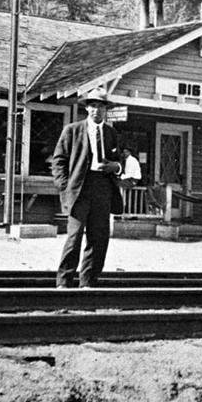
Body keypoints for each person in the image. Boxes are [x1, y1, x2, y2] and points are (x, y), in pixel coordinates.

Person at [50, 88, 123, 288]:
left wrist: (115, 167)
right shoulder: (72, 130)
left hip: (103, 188)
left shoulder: (111, 133)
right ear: (86, 108)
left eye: (100, 106)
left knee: (99, 238)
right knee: (74, 237)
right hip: (79, 188)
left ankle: (88, 282)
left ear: (105, 109)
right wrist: (65, 187)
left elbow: (119, 161)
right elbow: (58, 161)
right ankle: (63, 282)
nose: (96, 110)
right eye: (92, 106)